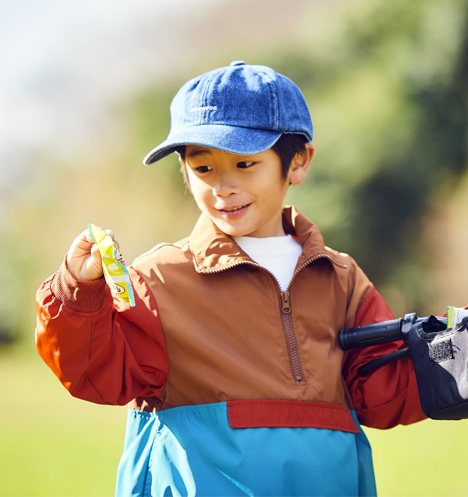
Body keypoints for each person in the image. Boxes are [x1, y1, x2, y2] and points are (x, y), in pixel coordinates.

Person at [35, 61, 426, 496]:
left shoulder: (341, 278)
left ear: (298, 162)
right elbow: (95, 373)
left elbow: (387, 391)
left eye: (244, 164)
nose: (223, 186)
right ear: (184, 170)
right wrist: (78, 290)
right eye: (204, 169)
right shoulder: (159, 279)